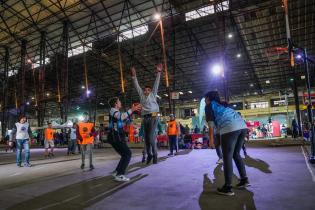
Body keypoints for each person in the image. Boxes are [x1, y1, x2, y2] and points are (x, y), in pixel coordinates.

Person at [205, 91, 250, 196]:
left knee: (227, 158)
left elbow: (211, 124)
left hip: (230, 128)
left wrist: (211, 140)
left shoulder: (209, 106)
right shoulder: (223, 104)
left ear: (208, 98)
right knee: (236, 154)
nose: (205, 101)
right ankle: (244, 180)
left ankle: (228, 187)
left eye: (205, 99)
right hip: (242, 127)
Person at [131, 63, 162, 164]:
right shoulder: (142, 95)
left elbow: (156, 83)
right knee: (146, 138)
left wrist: (158, 72)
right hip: (145, 118)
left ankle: (155, 155)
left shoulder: (153, 94)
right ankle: (149, 155)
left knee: (151, 137)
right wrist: (134, 76)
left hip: (153, 117)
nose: (146, 91)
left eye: (148, 90)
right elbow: (136, 86)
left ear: (151, 91)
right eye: (145, 90)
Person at [108, 97, 141, 182]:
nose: (120, 102)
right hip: (115, 137)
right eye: (119, 101)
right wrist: (132, 109)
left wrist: (135, 126)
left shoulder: (116, 112)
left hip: (116, 137)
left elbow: (125, 120)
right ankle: (120, 175)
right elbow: (121, 117)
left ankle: (117, 172)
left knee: (124, 154)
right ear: (115, 104)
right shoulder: (112, 110)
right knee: (127, 153)